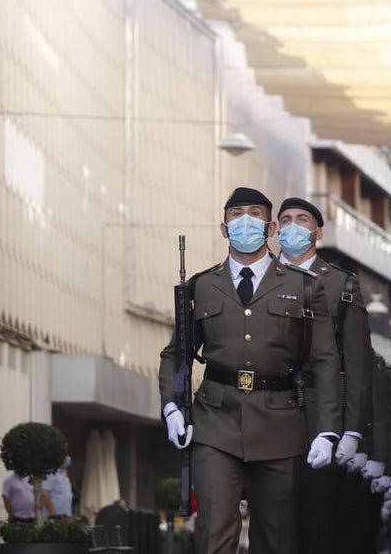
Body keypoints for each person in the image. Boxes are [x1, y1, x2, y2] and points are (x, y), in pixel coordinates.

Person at [157, 187, 343, 554]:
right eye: (236, 214)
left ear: (271, 227)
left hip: (280, 423)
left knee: (275, 539)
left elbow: (325, 361)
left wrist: (327, 431)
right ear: (224, 228)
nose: (245, 221)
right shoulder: (201, 286)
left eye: (255, 214)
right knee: (214, 532)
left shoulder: (303, 287)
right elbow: (175, 354)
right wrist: (171, 407)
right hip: (215, 421)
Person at [275, 196, 375, 554]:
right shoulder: (260, 280)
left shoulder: (341, 285)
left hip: (322, 411)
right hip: (270, 412)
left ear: (318, 231)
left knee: (317, 521)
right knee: (273, 521)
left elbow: (359, 363)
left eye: (302, 219)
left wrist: (351, 430)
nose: (292, 226)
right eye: (285, 219)